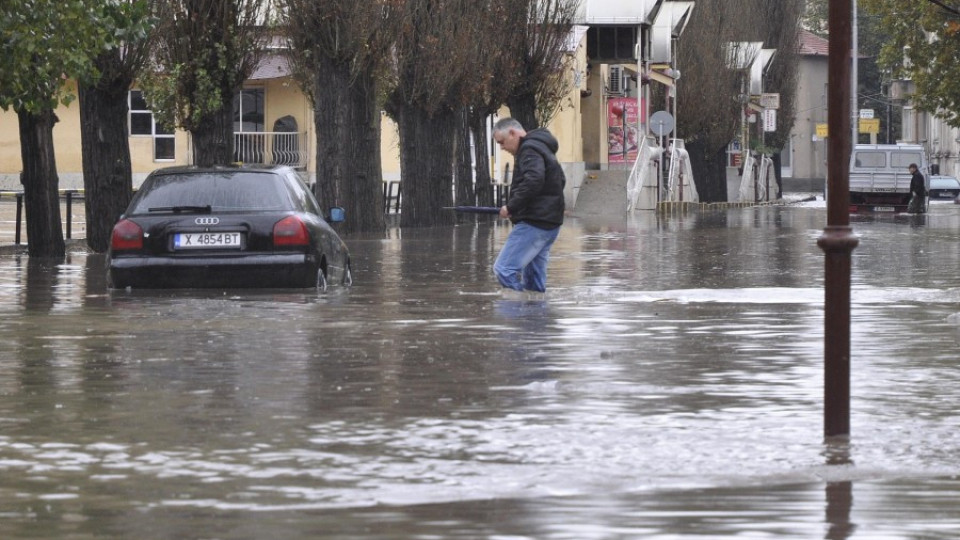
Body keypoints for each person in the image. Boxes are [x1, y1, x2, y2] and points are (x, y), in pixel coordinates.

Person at [491, 117, 566, 295]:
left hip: (535, 222)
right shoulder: (542, 147)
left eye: (502, 142)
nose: (501, 147)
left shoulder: (529, 149)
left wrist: (511, 207)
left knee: (503, 269)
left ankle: (518, 314)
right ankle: (536, 317)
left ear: (513, 133)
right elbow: (560, 179)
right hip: (549, 223)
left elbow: (534, 180)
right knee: (534, 284)